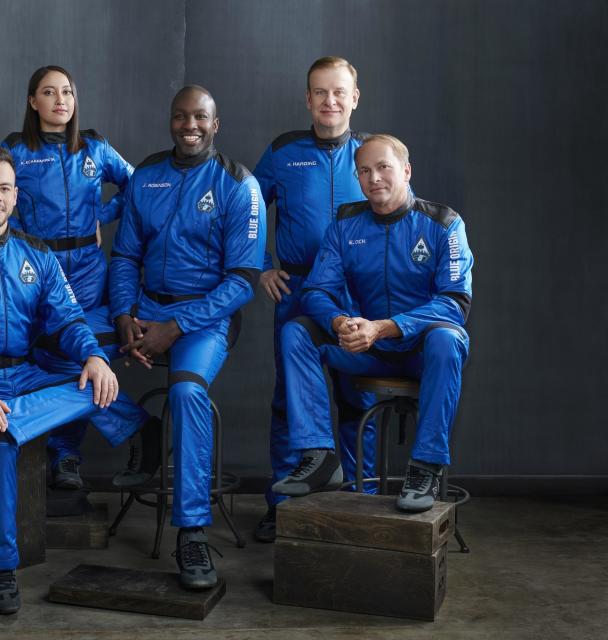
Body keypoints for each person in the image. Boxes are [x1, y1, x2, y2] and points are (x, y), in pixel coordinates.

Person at [0, 146, 159, 615]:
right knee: (1, 446)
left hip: (25, 375)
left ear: (16, 195)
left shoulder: (37, 253)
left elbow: (68, 318)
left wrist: (92, 354)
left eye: (5, 188)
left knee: (94, 380)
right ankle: (1, 570)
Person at [0, 65, 155, 491]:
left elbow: (138, 185)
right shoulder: (17, 150)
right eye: (49, 92)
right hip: (37, 266)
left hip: (87, 267)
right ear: (33, 101)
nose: (60, 100)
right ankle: (120, 433)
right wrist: (16, 230)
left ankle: (65, 456)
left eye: (67, 92)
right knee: (49, 355)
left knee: (69, 354)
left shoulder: (94, 148)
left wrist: (102, 214)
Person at [109, 86, 265, 589]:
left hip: (205, 318)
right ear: (170, 121)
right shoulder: (146, 176)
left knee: (186, 391)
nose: (189, 125)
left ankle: (192, 532)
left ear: (215, 125)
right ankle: (141, 432)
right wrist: (123, 317)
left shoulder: (239, 184)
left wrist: (174, 328)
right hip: (145, 307)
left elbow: (242, 281)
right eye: (180, 116)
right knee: (68, 351)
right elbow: (126, 256)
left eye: (200, 117)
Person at [273, 134, 473, 512]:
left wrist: (384, 326)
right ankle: (319, 456)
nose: (374, 178)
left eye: (384, 167)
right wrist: (339, 322)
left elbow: (455, 303)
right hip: (369, 351)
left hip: (421, 353)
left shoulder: (443, 224)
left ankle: (425, 466)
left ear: (406, 171)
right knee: (296, 330)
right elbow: (315, 290)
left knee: (448, 338)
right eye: (364, 170)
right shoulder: (346, 226)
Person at [252, 56, 377, 542]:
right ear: (308, 99)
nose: (330, 101)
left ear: (354, 97)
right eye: (320, 93)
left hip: (357, 295)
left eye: (339, 92)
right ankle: (283, 503)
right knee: (290, 402)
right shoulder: (285, 151)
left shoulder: (371, 152)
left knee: (356, 398)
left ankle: (358, 502)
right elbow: (247, 206)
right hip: (299, 290)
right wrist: (261, 264)